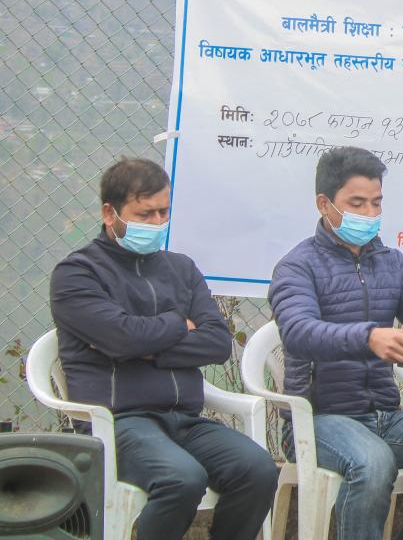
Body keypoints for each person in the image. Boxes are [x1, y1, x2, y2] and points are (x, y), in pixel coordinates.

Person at [48, 157, 277, 540]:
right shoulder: (77, 273)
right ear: (109, 213)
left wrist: (149, 347)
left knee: (258, 470)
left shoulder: (181, 269)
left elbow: (217, 343)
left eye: (163, 212)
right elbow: (122, 337)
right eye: (144, 214)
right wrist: (178, 324)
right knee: (181, 479)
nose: (156, 223)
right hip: (117, 422)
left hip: (183, 418)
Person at [269, 146, 403, 540]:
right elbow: (299, 331)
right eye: (357, 204)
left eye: (376, 203)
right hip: (317, 419)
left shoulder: (391, 262)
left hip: (385, 414)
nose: (369, 214)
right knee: (373, 463)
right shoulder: (297, 266)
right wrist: (367, 337)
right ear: (324, 204)